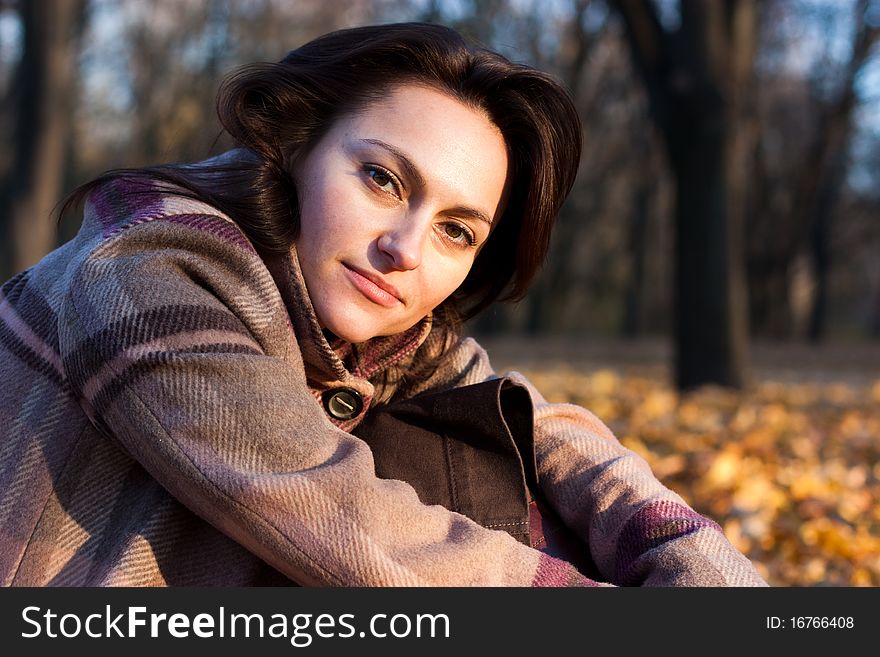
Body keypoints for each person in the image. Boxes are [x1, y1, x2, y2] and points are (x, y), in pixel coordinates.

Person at [0, 22, 766, 587]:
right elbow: (335, 510)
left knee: (486, 438)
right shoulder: (147, 269)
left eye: (456, 230)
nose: (406, 248)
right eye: (383, 179)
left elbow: (553, 436)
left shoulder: (375, 327)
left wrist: (704, 573)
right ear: (298, 143)